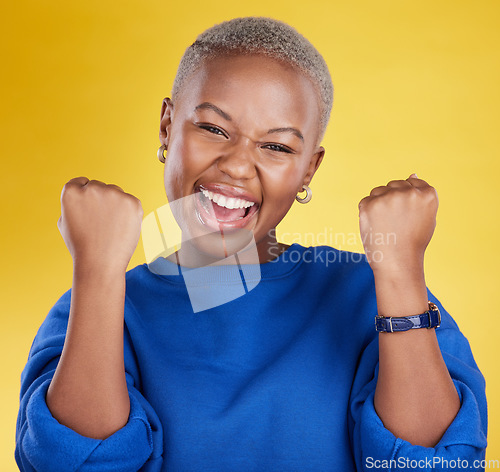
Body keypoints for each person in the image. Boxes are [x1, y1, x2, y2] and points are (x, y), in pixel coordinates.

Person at [15, 16, 487, 472]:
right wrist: (97, 272)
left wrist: (402, 273)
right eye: (213, 129)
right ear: (166, 126)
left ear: (309, 169)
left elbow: (439, 464)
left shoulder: (373, 294)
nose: (238, 166)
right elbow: (71, 464)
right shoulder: (93, 310)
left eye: (277, 147)